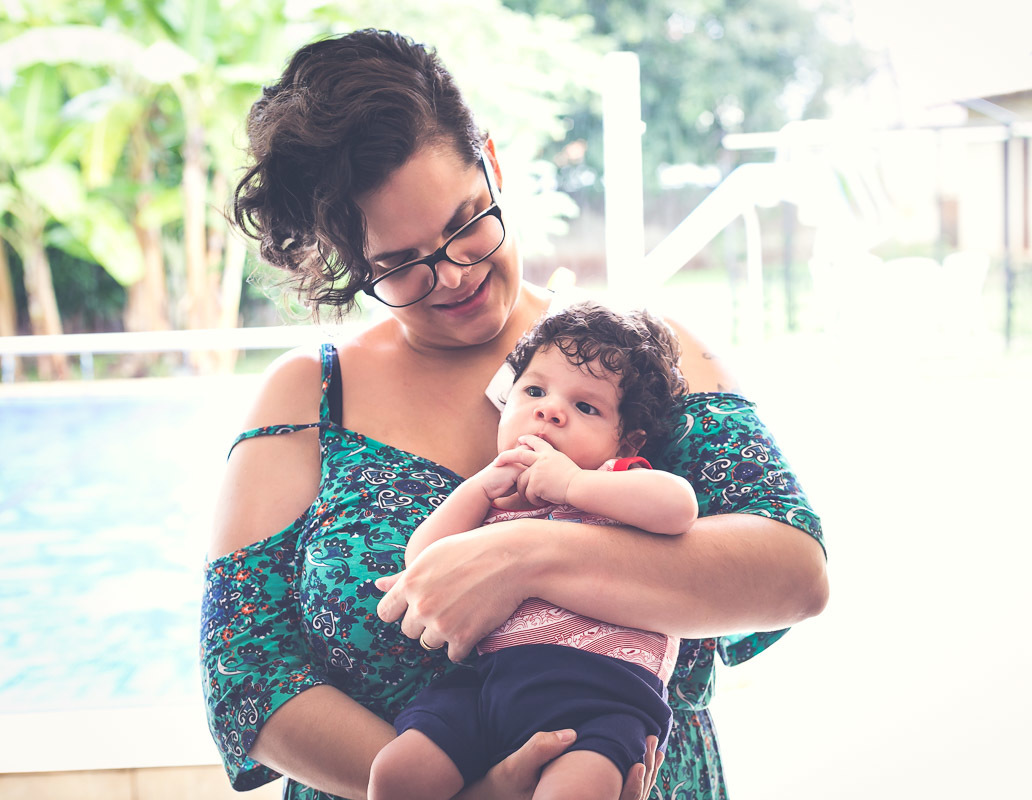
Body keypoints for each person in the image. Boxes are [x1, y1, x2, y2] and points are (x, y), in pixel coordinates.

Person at [202, 28, 828, 800]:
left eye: (468, 221)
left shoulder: (643, 356)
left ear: (492, 162)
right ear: (352, 266)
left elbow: (795, 571)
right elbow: (246, 673)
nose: (457, 274)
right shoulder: (306, 400)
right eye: (401, 264)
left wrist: (525, 556)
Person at [369, 302, 697, 800]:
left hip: (603, 699)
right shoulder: (493, 498)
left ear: (624, 440)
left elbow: (679, 508)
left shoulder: (614, 481)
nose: (550, 410)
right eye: (534, 391)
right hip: (486, 689)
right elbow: (423, 563)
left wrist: (572, 485)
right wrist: (478, 489)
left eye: (586, 407)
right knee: (395, 776)